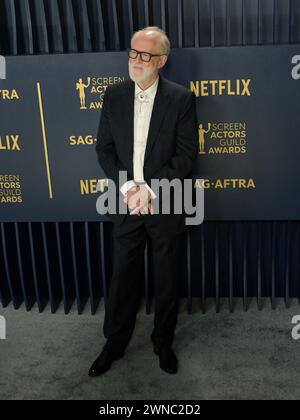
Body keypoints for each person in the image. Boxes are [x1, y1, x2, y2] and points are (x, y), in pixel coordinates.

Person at [89, 26, 198, 376]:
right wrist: (128, 191)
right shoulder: (114, 95)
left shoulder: (181, 99)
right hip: (125, 203)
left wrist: (149, 191)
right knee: (123, 277)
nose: (136, 60)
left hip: (165, 203)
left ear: (161, 61)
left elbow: (185, 156)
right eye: (133, 53)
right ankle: (114, 343)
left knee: (166, 278)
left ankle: (162, 342)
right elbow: (103, 149)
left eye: (145, 55)